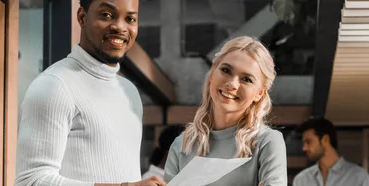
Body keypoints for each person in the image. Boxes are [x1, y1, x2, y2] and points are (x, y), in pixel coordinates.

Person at [14, 0, 165, 185]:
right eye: (106, 15)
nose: (120, 27)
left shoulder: (130, 92)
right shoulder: (54, 85)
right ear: (82, 17)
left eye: (130, 19)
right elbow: (30, 181)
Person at [163, 36, 287, 186]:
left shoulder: (267, 143)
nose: (232, 84)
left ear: (259, 93)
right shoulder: (182, 145)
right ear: (212, 74)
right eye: (226, 70)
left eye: (246, 79)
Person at [293, 118, 369, 186]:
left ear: (325, 139)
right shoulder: (301, 180)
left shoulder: (359, 177)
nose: (304, 148)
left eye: (308, 142)